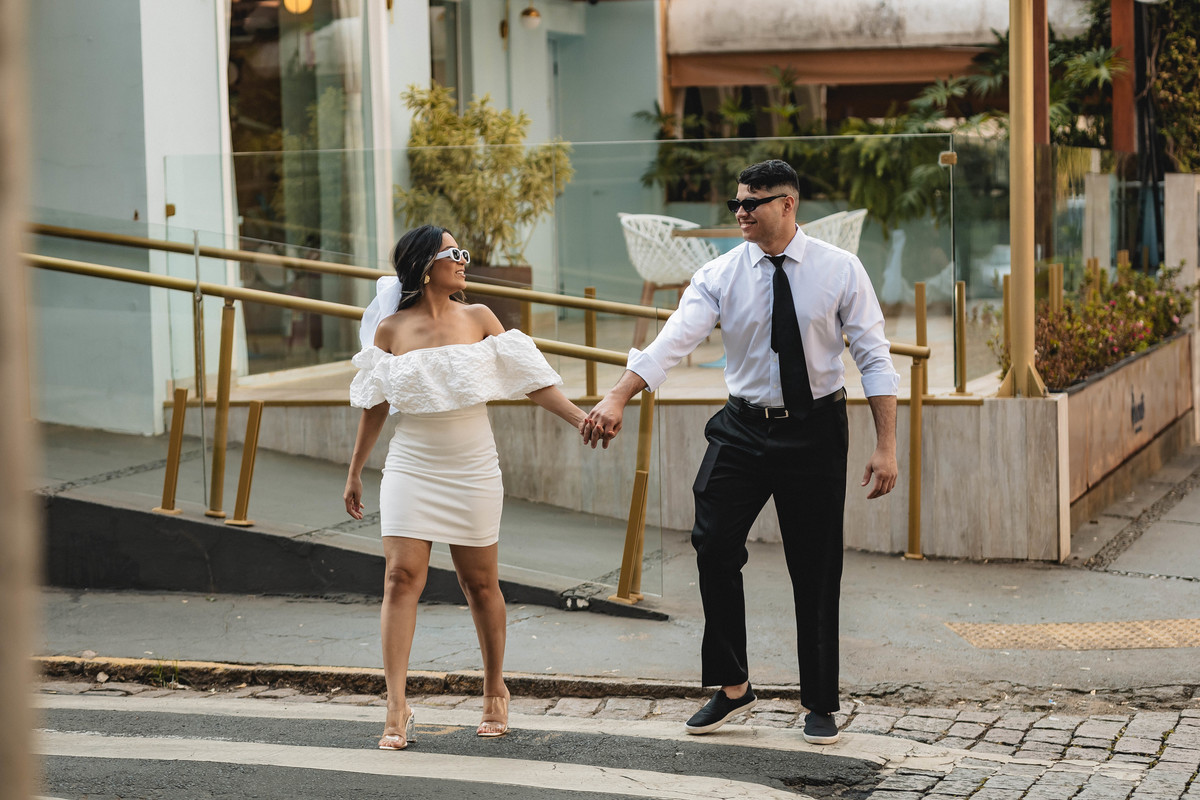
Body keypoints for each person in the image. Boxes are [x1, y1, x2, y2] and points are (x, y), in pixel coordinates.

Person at [582, 160, 899, 745]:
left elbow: (875, 357)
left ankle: (821, 701)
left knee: (816, 562)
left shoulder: (840, 270)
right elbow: (673, 339)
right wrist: (618, 395)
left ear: (788, 205)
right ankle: (732, 687)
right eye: (737, 204)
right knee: (713, 544)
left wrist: (886, 445)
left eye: (753, 203)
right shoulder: (720, 274)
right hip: (742, 426)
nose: (741, 214)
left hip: (815, 427)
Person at [344, 225, 587, 751]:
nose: (463, 261)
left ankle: (495, 689)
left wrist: (579, 417)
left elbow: (532, 379)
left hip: (473, 464)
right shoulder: (390, 330)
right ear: (425, 264)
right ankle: (396, 705)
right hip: (411, 463)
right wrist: (356, 469)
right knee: (399, 577)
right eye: (454, 253)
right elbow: (375, 404)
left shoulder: (480, 318)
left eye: (463, 253)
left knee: (480, 585)